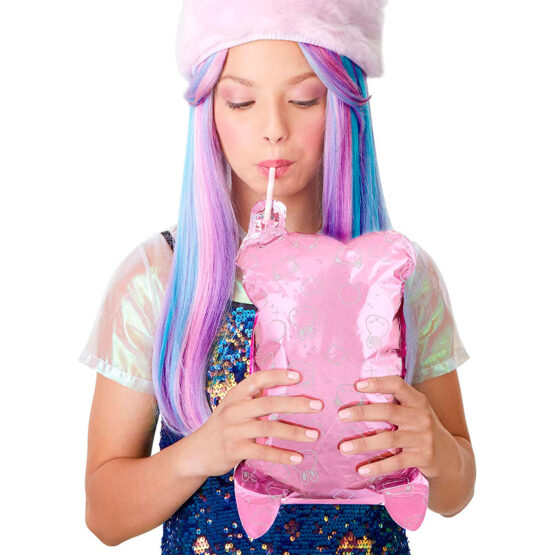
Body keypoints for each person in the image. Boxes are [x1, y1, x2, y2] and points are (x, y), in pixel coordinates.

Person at [79, 4, 476, 553]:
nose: (274, 130)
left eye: (305, 99)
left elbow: (457, 493)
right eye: (241, 102)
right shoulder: (159, 277)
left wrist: (437, 452)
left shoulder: (399, 276)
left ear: (344, 105)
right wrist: (204, 450)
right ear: (209, 113)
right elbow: (104, 515)